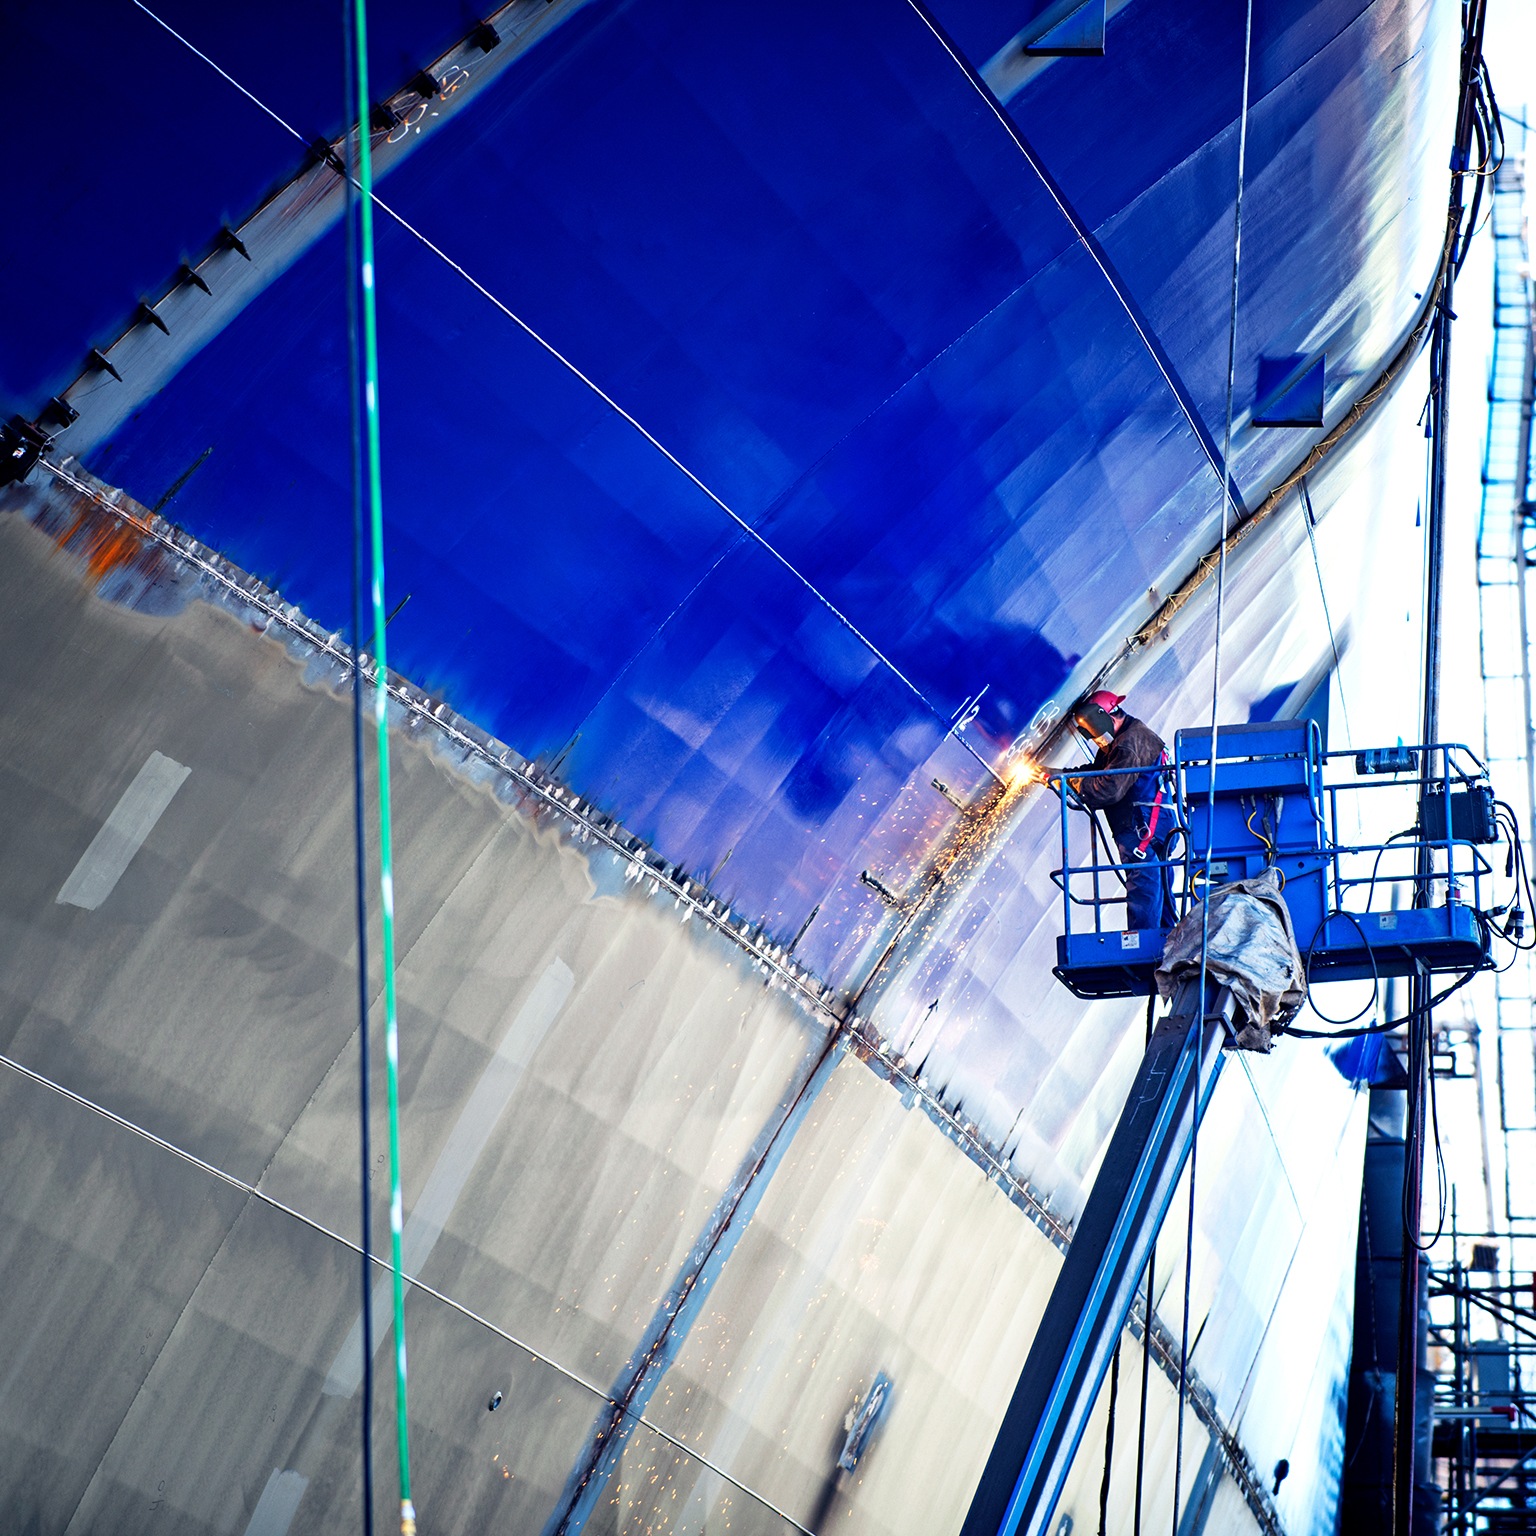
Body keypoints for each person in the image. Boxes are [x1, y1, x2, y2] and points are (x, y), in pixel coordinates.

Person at [1068, 690, 1173, 931]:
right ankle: (1170, 941)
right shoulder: (1128, 737)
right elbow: (1097, 772)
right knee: (1160, 891)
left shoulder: (1129, 743)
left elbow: (1109, 789)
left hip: (1142, 829)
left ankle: (1141, 944)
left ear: (1101, 718)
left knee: (1144, 889)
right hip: (1156, 825)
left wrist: (1075, 783)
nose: (1096, 740)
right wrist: (1060, 776)